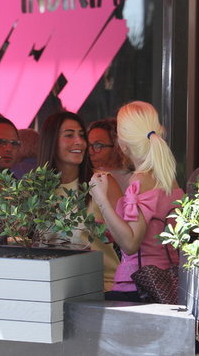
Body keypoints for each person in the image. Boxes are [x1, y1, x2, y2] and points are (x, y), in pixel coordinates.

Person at [89, 101, 184, 301]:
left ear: (122, 143)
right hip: (167, 284)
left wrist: (101, 199)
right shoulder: (169, 180)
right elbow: (155, 235)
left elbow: (131, 243)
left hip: (137, 285)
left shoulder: (140, 180)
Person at [37, 111, 121, 292]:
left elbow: (127, 242)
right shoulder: (34, 190)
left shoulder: (102, 182)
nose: (80, 142)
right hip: (50, 287)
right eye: (69, 135)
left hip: (102, 287)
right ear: (51, 141)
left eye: (82, 135)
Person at [87, 118, 134, 193]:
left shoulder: (134, 180)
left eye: (98, 145)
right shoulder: (85, 176)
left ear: (117, 147)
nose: (90, 152)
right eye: (88, 145)